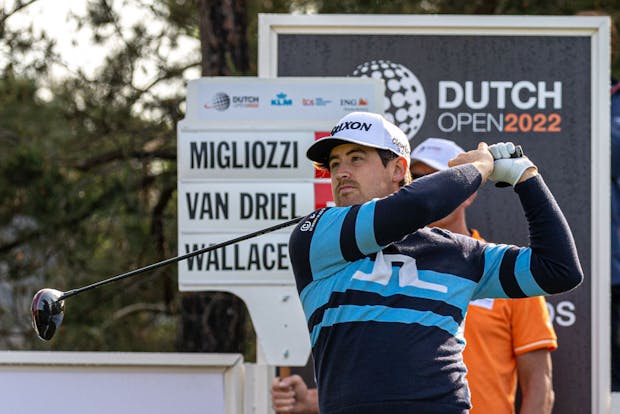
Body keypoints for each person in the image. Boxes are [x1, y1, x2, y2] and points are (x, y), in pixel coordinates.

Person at [284, 111, 583, 414]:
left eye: (356, 159)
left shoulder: (459, 253)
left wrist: (526, 178)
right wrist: (480, 166)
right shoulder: (317, 234)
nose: (341, 172)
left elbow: (558, 270)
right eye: (335, 164)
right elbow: (416, 205)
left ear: (398, 169)